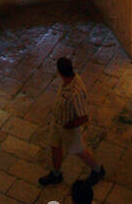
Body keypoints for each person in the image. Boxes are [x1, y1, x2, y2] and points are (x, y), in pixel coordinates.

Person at [38, 56, 104, 187]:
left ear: (60, 72)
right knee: (55, 145)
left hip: (69, 128)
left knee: (79, 151)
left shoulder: (76, 93)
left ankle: (98, 170)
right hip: (58, 122)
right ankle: (56, 174)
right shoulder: (68, 81)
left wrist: (70, 125)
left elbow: (84, 117)